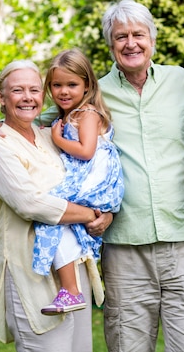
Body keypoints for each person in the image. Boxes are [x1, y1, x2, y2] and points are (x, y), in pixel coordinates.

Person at [0, 0, 184, 351]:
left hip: (182, 240)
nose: (131, 43)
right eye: (121, 36)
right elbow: (32, 118)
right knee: (128, 345)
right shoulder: (95, 95)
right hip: (123, 246)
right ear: (111, 44)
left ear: (152, 38)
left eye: (138, 34)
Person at [0, 59, 106, 352]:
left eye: (34, 90)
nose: (27, 97)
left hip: (71, 266)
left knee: (80, 347)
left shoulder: (50, 135)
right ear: (2, 97)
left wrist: (105, 213)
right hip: (29, 269)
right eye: (17, 90)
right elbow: (30, 203)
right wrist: (90, 214)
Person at [33, 49, 124, 315]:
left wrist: (58, 140)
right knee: (60, 221)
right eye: (57, 85)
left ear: (87, 85)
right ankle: (71, 290)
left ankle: (70, 291)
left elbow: (86, 151)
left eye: (72, 85)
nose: (64, 91)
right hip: (85, 175)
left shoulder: (88, 114)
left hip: (96, 178)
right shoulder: (66, 115)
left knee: (53, 213)